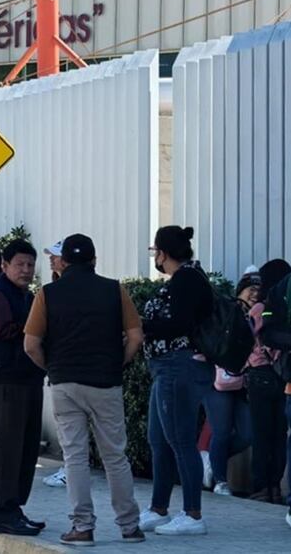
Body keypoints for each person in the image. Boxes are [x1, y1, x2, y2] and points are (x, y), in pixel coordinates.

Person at [23, 234, 144, 546]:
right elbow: (135, 336)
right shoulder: (115, 290)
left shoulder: (47, 294)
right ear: (93, 260)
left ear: (64, 263)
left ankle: (82, 527)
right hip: (106, 381)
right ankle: (130, 526)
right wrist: (120, 363)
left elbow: (31, 344)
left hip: (65, 382)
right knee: (115, 456)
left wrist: (51, 367)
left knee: (75, 457)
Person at [139, 225, 213, 536]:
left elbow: (179, 324)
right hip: (165, 368)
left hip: (178, 367)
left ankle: (193, 513)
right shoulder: (185, 278)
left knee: (181, 441)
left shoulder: (187, 279)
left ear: (163, 252)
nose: (155, 257)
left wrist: (142, 324)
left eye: (155, 251)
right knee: (159, 440)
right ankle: (159, 508)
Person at [0, 239, 42, 536]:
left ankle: (15, 508)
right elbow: (0, 330)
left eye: (30, 265)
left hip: (30, 379)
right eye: (20, 264)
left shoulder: (27, 296)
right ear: (5, 265)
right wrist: (34, 327)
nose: (26, 270)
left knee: (27, 448)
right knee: (8, 449)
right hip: (8, 381)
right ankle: (4, 513)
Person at [202, 271, 258, 496]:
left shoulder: (257, 315)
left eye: (258, 291)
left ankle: (211, 460)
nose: (255, 294)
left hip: (242, 382)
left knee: (247, 435)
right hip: (218, 379)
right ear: (240, 291)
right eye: (250, 290)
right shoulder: (226, 311)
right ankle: (220, 481)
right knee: (221, 431)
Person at [244, 259, 290, 504]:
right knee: (280, 435)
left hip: (259, 374)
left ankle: (261, 487)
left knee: (261, 434)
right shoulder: (285, 306)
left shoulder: (259, 308)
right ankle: (277, 487)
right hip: (283, 374)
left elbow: (247, 338)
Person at [256, 268, 291, 529]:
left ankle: (274, 491)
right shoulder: (284, 287)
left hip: (275, 378)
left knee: (272, 437)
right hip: (284, 379)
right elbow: (267, 329)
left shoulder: (281, 288)